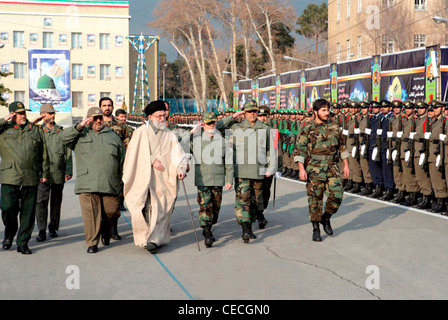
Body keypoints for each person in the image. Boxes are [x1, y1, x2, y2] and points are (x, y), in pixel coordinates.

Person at [122, 100, 190, 254]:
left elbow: (180, 155)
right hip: (142, 176)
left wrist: (181, 168)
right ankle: (146, 238)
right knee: (142, 207)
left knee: (161, 208)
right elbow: (133, 155)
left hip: (163, 178)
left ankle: (155, 240)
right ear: (150, 117)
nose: (162, 119)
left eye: (163, 116)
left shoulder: (169, 134)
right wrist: (151, 160)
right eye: (158, 116)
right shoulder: (140, 133)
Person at [60, 107, 125, 254]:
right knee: (91, 214)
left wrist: (122, 178)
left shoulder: (112, 136)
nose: (98, 121)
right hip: (87, 182)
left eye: (100, 118)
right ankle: (92, 242)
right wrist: (80, 126)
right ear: (88, 119)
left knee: (111, 211)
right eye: (94, 118)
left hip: (109, 181)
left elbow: (122, 158)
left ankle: (106, 229)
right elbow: (63, 138)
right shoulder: (79, 135)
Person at [295, 99, 350, 242]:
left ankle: (326, 218)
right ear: (315, 112)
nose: (327, 113)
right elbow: (300, 150)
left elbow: (342, 146)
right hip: (315, 167)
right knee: (315, 200)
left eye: (327, 110)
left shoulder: (335, 126)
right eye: (323, 110)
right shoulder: (307, 128)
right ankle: (316, 229)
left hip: (332, 167)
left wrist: (346, 165)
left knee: (337, 194)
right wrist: (301, 169)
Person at [0, 101, 49, 254]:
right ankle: (9, 233)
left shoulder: (34, 130)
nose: (23, 116)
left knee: (28, 212)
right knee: (8, 208)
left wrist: (44, 173)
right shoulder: (4, 130)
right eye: (19, 113)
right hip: (10, 176)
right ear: (12, 114)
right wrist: (4, 119)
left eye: (24, 113)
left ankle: (22, 242)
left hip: (30, 176)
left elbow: (44, 154)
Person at [229, 100, 276, 243]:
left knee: (256, 201)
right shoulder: (236, 127)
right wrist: (232, 116)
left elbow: (270, 150)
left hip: (258, 170)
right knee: (243, 201)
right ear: (244, 113)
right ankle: (246, 229)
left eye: (254, 111)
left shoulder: (265, 128)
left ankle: (250, 224)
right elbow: (217, 128)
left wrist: (271, 168)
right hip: (241, 171)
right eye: (249, 111)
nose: (252, 114)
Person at [190, 111, 233, 247]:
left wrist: (229, 179)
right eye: (208, 123)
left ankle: (210, 224)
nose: (211, 125)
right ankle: (207, 232)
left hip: (218, 178)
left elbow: (229, 162)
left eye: (213, 122)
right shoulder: (196, 141)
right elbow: (177, 143)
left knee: (215, 206)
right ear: (203, 125)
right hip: (203, 179)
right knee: (205, 206)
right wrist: (191, 132)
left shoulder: (223, 141)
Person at [33, 104, 73, 242]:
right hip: (42, 173)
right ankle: (42, 230)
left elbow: (68, 152)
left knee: (56, 202)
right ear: (42, 115)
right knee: (41, 202)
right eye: (49, 113)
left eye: (53, 113)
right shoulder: (37, 131)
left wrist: (69, 170)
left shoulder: (61, 132)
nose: (53, 115)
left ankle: (53, 227)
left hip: (58, 172)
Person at [99, 97, 134, 239]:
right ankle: (101, 229)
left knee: (115, 202)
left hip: (116, 170)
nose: (107, 108)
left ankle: (113, 229)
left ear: (113, 107)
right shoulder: (95, 124)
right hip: (99, 169)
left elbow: (129, 146)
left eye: (109, 105)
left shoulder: (121, 125)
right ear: (100, 107)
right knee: (99, 203)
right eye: (104, 105)